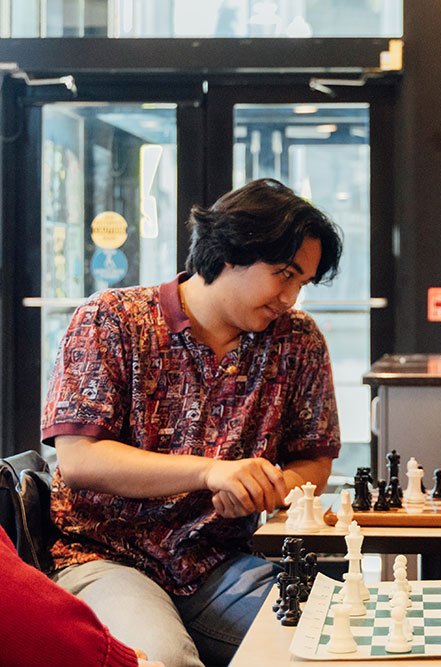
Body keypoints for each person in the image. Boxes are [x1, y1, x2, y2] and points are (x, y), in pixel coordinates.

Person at [41, 178, 343, 667]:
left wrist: (266, 485)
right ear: (229, 252)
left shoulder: (298, 341)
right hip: (107, 559)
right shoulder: (111, 319)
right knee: (163, 660)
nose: (291, 298)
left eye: (302, 283)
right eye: (284, 274)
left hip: (219, 565)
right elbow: (78, 459)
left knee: (336, 646)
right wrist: (209, 471)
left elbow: (313, 460)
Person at [1, 527, 164, 667]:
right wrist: (109, 660)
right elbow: (11, 599)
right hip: (101, 552)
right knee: (162, 652)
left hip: (185, 564)